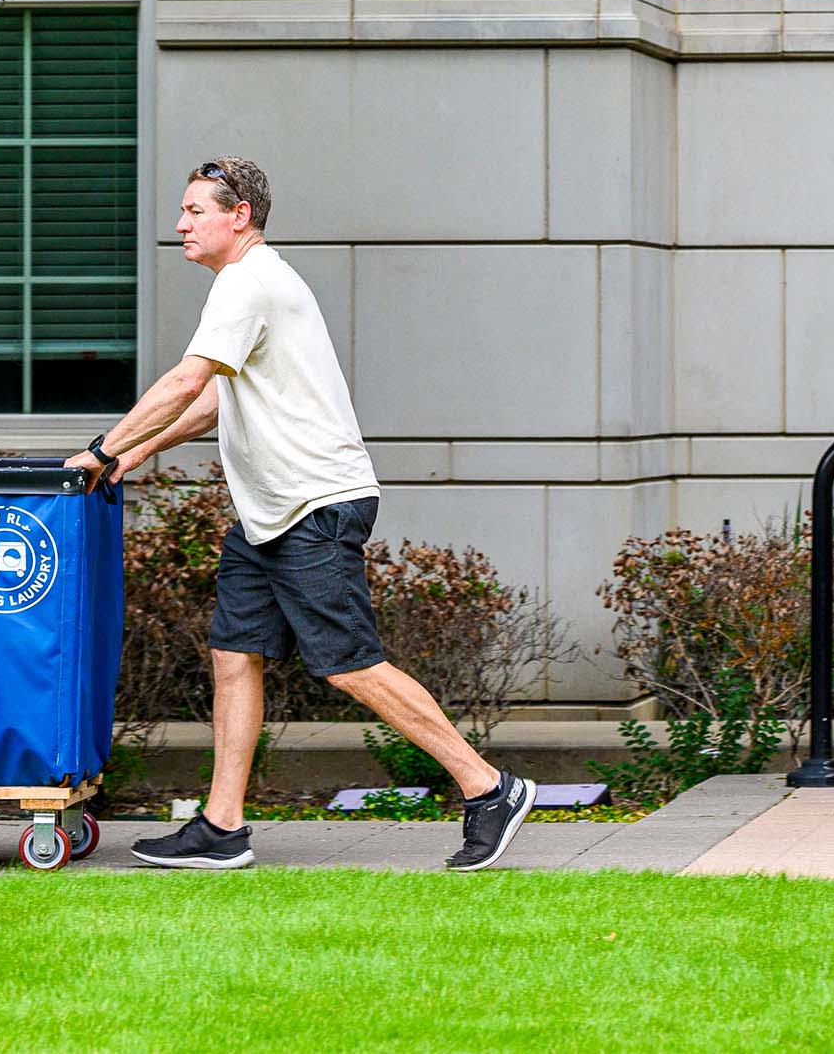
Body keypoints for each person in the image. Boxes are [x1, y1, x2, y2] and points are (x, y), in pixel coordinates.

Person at [70, 157, 536, 872]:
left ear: (239, 216)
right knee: (234, 655)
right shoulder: (253, 283)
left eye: (195, 210)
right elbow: (215, 399)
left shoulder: (249, 281)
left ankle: (488, 787)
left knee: (349, 664)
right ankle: (221, 825)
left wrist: (103, 447)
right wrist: (137, 452)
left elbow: (186, 378)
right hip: (268, 514)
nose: (180, 224)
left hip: (313, 504)